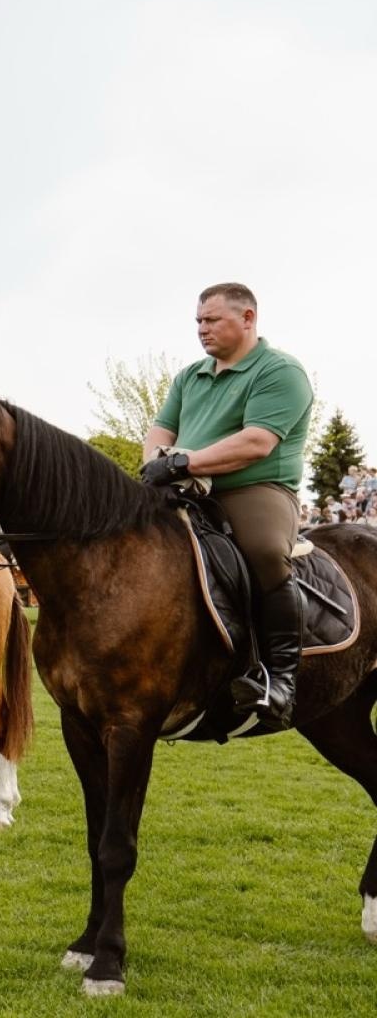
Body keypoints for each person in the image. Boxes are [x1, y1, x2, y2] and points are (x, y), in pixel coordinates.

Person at [141, 282, 313, 727]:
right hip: (183, 486)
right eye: (198, 321)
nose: (202, 329)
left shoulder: (279, 371)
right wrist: (155, 464)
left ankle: (281, 681)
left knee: (263, 552)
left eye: (211, 319)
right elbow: (161, 430)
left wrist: (184, 461)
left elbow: (257, 442)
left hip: (255, 489)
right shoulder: (190, 376)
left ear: (248, 318)